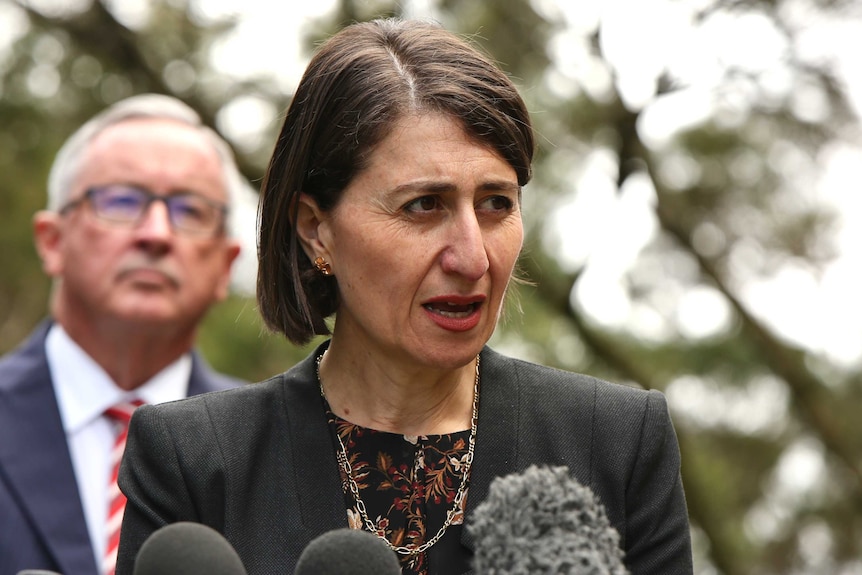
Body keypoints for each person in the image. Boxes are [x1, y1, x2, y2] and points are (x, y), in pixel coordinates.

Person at [116, 18, 694, 575]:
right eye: (424, 205)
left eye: (496, 203)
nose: (472, 258)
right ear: (316, 229)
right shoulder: (191, 459)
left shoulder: (617, 443)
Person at [0, 93, 249, 575]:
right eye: (121, 200)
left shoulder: (276, 448)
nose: (156, 233)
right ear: (52, 242)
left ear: (225, 266)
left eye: (190, 210)